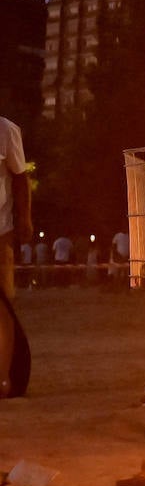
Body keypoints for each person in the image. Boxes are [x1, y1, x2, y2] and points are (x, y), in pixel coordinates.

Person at [1, 116, 32, 397]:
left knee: (2, 307)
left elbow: (21, 178)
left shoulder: (6, 130)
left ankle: (3, 377)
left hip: (0, 232)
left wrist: (24, 220)